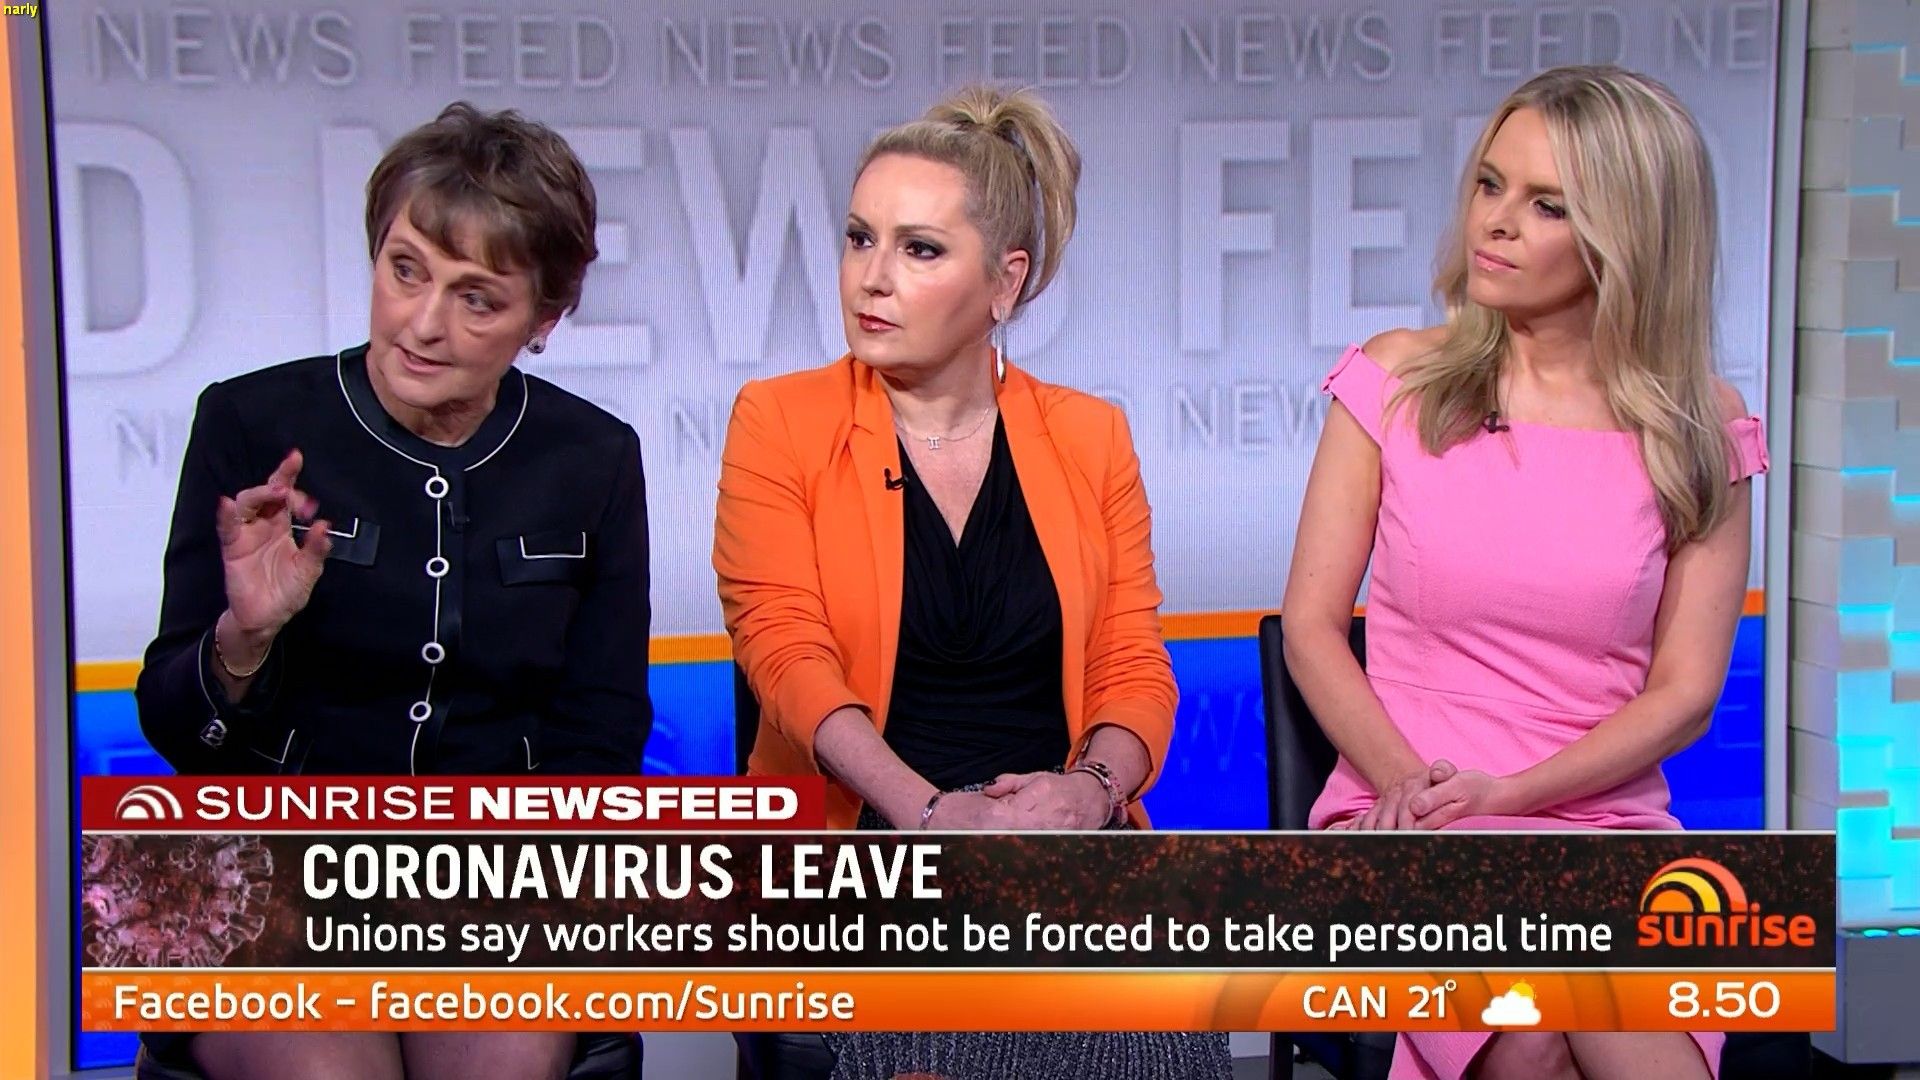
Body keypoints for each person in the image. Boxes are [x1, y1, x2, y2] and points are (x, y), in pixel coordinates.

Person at [713, 85, 1231, 1080]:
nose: (871, 278)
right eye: (859, 239)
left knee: (1159, 1031)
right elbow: (784, 656)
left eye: (919, 249)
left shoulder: (1089, 435)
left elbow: (1132, 662)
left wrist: (1088, 794)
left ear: (1005, 281)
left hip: (1057, 839)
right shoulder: (779, 422)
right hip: (865, 841)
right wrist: (931, 816)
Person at [134, 102, 649, 1080]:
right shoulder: (250, 422)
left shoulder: (593, 457)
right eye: (405, 270)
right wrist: (243, 640)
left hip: (496, 872)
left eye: (477, 298)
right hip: (266, 863)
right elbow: (172, 726)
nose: (423, 323)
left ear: (543, 320)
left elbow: (603, 728)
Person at [1282, 66, 1765, 1080]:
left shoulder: (1699, 429)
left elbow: (1685, 693)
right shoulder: (1397, 380)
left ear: (1627, 236)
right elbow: (1312, 627)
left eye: (1548, 205)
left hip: (1602, 816)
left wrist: (1517, 792)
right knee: (1534, 1021)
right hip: (1408, 806)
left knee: (1614, 1009)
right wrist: (1420, 790)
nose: (1495, 222)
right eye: (1490, 184)